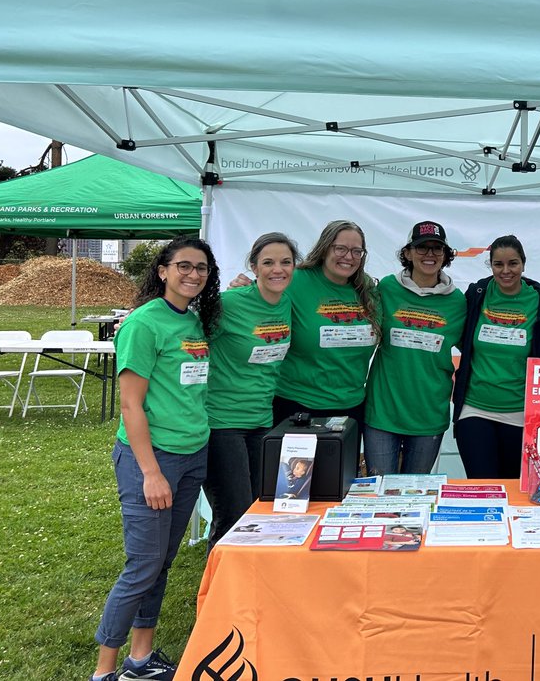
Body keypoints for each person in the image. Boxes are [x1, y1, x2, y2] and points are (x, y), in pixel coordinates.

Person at [92, 238, 222, 681]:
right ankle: (104, 671)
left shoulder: (193, 321)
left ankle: (140, 659)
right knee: (143, 564)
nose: (193, 274)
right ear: (162, 271)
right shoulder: (145, 324)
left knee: (162, 561)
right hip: (153, 458)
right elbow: (130, 406)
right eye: (183, 266)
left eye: (202, 268)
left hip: (192, 453)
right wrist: (150, 473)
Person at [203, 232, 298, 547]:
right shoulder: (228, 303)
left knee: (259, 509)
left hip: (261, 421)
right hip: (221, 422)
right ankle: (217, 591)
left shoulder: (287, 303)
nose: (277, 269)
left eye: (285, 262)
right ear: (253, 267)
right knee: (234, 513)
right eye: (268, 263)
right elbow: (182, 334)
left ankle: (249, 587)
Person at [364, 221, 467, 475]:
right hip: (383, 413)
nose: (429, 255)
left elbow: (477, 349)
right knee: (378, 492)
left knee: (415, 496)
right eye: (422, 248)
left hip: (428, 415)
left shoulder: (457, 301)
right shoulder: (386, 288)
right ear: (408, 253)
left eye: (436, 249)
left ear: (445, 256)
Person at [453, 234, 540, 478]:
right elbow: (461, 338)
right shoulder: (477, 294)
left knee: (512, 489)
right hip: (474, 409)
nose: (506, 271)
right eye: (498, 264)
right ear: (491, 265)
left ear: (523, 264)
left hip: (519, 412)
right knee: (482, 486)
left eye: (513, 263)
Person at [271, 221, 379, 434]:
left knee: (342, 469)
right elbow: (259, 299)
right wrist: (242, 284)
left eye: (357, 251)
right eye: (340, 248)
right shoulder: (294, 280)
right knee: (294, 469)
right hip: (297, 406)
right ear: (324, 248)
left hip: (351, 408)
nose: (348, 257)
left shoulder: (366, 288)